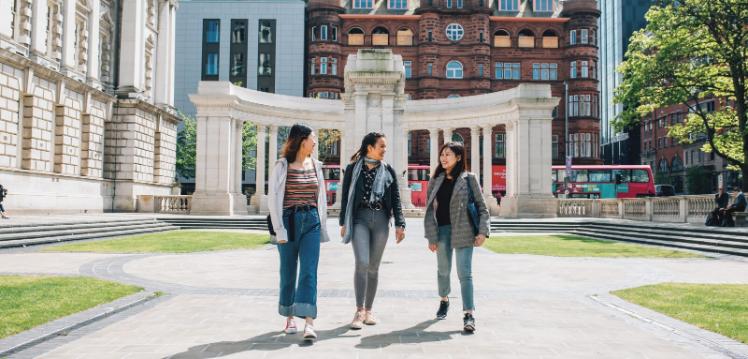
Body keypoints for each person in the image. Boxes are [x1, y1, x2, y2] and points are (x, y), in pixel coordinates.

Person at [267, 124, 330, 341]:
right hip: (288, 221)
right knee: (288, 272)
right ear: (302, 140)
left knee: (309, 271)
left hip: (311, 221)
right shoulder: (282, 166)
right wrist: (279, 230)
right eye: (313, 139)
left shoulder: (315, 165)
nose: (315, 143)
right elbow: (272, 200)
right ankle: (289, 316)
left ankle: (309, 322)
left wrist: (322, 224)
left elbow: (320, 199)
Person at [339, 132, 406, 330]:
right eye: (382, 146)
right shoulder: (353, 169)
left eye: (385, 146)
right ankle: (359, 310)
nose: (385, 150)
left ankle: (369, 310)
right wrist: (343, 222)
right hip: (359, 218)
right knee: (362, 262)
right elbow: (345, 196)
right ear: (370, 147)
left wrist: (400, 224)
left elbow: (395, 199)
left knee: (374, 267)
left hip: (382, 221)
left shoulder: (389, 170)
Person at [423, 142, 489, 333]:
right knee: (443, 270)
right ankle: (444, 299)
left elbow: (482, 207)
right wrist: (431, 237)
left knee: (464, 273)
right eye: (442, 154)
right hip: (442, 231)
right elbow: (428, 211)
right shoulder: (435, 179)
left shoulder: (469, 179)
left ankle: (469, 314)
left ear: (459, 157)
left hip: (464, 231)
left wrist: (483, 231)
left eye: (448, 154)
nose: (443, 158)